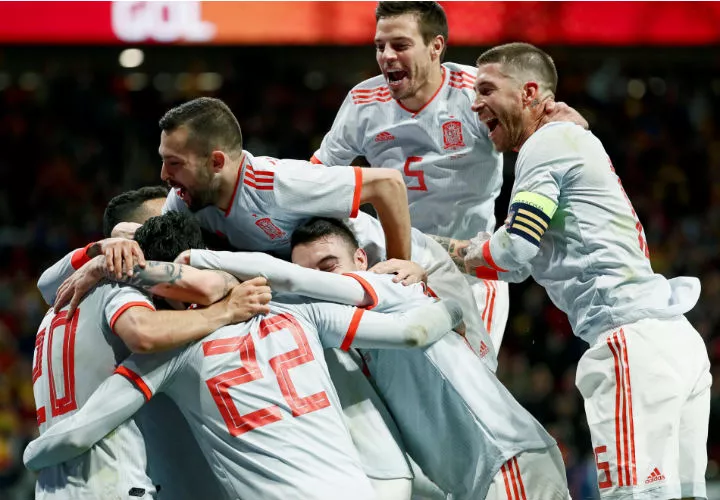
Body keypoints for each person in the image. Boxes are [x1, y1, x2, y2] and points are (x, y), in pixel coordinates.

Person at [24, 211, 465, 500]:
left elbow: (78, 435)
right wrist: (449, 299)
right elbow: (414, 332)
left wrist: (33, 458)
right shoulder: (301, 314)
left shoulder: (172, 355)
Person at [462, 42, 710, 500]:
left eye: (486, 89)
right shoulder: (569, 141)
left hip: (632, 344)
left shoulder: (545, 144)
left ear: (529, 91)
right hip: (674, 341)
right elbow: (518, 267)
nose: (475, 102)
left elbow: (515, 245)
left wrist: (457, 253)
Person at [312, 1, 587, 353]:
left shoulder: (477, 93)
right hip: (396, 266)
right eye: (380, 46)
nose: (387, 56)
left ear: (436, 46)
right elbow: (318, 176)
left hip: (469, 267)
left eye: (400, 45)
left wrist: (567, 129)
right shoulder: (363, 102)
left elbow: (544, 133)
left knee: (473, 382)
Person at [288, 217, 571, 500]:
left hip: (503, 462)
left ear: (361, 259)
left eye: (328, 268)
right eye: (307, 276)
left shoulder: (389, 283)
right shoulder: (343, 339)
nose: (319, 283)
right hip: (477, 480)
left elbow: (389, 187)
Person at [28, 212, 267, 499]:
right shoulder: (120, 286)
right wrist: (223, 311)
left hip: (53, 484)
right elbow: (143, 332)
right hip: (108, 478)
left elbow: (46, 282)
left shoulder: (57, 305)